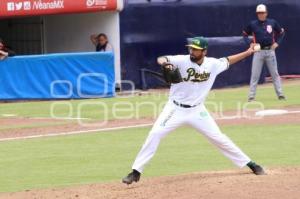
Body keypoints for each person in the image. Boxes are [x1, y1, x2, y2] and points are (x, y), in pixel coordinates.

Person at [122, 36, 266, 185]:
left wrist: (248, 52)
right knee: (155, 133)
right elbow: (162, 58)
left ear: (204, 51)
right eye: (191, 48)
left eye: (196, 50)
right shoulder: (181, 60)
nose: (192, 51)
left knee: (218, 137)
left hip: (197, 110)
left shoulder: (213, 64)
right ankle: (136, 172)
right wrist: (166, 64)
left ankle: (251, 164)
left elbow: (228, 60)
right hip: (175, 109)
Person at [243, 4, 286, 102]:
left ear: (266, 13)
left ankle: (280, 95)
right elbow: (244, 34)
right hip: (258, 52)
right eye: (259, 13)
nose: (260, 15)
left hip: (270, 51)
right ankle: (251, 97)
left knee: (275, 74)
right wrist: (250, 43)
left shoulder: (272, 22)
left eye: (262, 13)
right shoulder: (252, 24)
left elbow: (282, 32)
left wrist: (277, 43)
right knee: (255, 75)